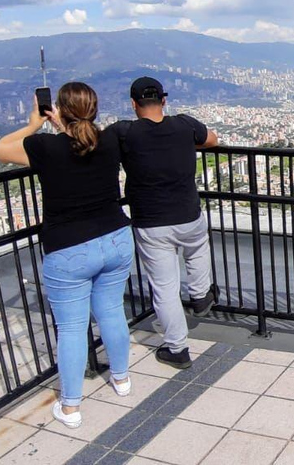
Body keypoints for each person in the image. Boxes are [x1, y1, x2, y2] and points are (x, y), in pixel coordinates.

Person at [0, 82, 133, 429]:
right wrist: (63, 126)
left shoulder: (45, 147)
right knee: (112, 311)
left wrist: (33, 123)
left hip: (69, 248)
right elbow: (83, 142)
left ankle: (70, 407)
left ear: (58, 109)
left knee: (71, 328)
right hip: (116, 237)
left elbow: (0, 149)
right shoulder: (110, 140)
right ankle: (121, 379)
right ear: (95, 109)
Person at [112, 77, 219, 369]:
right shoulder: (184, 124)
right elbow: (212, 139)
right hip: (189, 213)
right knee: (197, 249)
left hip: (152, 222)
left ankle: (178, 349)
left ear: (133, 104)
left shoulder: (124, 132)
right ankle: (200, 295)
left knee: (165, 287)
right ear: (164, 100)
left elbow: (91, 148)